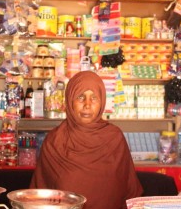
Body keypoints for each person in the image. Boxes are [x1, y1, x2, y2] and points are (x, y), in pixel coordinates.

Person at [30, 71, 143, 209]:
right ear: (70, 100)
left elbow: (129, 191)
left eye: (94, 98)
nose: (87, 105)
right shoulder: (55, 141)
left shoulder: (114, 138)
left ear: (102, 101)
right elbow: (42, 196)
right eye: (80, 97)